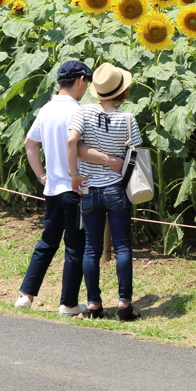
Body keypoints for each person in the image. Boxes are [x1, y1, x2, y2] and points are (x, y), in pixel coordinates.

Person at [15, 60, 123, 315]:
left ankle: (25, 296)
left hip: (52, 189)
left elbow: (30, 144)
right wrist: (109, 160)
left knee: (47, 242)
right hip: (77, 189)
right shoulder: (80, 112)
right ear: (81, 81)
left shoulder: (47, 109)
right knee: (75, 246)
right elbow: (80, 149)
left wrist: (42, 175)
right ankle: (68, 304)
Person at [67, 62, 142, 321]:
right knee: (122, 247)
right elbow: (136, 154)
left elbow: (71, 141)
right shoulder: (128, 118)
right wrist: (115, 163)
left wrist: (74, 174)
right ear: (122, 91)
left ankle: (94, 305)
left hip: (88, 189)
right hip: (116, 188)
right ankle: (124, 305)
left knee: (91, 249)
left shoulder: (84, 112)